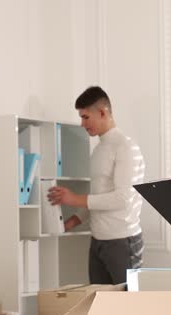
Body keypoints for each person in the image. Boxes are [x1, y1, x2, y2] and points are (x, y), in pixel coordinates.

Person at [47, 86, 145, 285]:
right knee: (99, 305)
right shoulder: (100, 149)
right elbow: (98, 196)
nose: (82, 124)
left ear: (102, 112)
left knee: (130, 307)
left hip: (122, 241)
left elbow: (123, 198)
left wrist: (74, 199)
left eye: (85, 117)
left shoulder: (125, 147)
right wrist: (73, 221)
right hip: (98, 241)